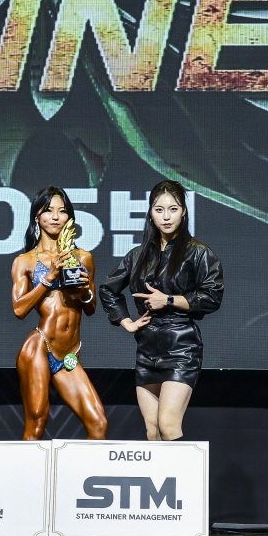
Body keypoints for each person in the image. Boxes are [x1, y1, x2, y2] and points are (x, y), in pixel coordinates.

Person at [101, 179, 223, 441]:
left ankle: (187, 471)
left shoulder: (199, 253)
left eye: (173, 209)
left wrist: (168, 300)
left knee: (168, 425)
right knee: (153, 430)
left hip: (181, 346)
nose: (166, 217)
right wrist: (126, 322)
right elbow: (108, 290)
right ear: (150, 213)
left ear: (184, 212)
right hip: (147, 346)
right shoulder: (137, 255)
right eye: (159, 210)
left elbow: (212, 297)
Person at [12, 187, 106, 440]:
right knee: (37, 422)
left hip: (69, 354)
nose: (55, 217)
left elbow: (90, 308)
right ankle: (25, 468)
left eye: (62, 211)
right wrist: (49, 277)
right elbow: (19, 309)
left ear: (69, 217)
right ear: (37, 216)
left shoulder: (83, 257)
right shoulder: (26, 261)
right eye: (48, 211)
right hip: (40, 347)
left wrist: (85, 290)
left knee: (98, 423)